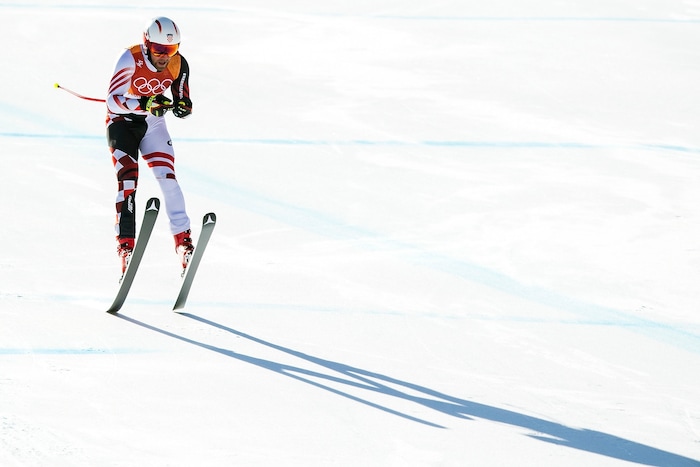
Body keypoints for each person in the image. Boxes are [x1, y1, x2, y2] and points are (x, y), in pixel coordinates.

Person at [105, 17, 194, 275]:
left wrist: (182, 107)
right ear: (147, 45)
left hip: (152, 125)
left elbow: (182, 99)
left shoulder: (178, 63)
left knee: (168, 179)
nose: (166, 56)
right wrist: (144, 104)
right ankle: (125, 245)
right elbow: (112, 101)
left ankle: (183, 243)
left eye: (172, 49)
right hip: (121, 124)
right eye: (160, 50)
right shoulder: (129, 58)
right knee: (128, 181)